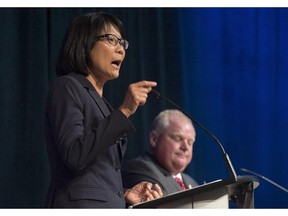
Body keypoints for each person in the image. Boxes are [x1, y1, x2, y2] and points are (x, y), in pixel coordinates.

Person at [45, 11, 162, 208]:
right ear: (84, 42)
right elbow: (75, 155)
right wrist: (125, 110)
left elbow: (97, 170)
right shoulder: (67, 86)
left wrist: (124, 194)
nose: (121, 50)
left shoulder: (102, 104)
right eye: (111, 40)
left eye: (122, 43)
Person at [122, 109, 198, 196]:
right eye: (178, 138)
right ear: (154, 139)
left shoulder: (191, 182)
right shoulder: (139, 169)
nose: (185, 147)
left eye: (190, 142)